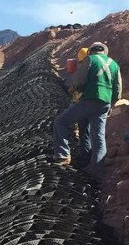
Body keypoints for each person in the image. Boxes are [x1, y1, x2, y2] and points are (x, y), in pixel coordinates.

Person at [52, 41, 122, 172]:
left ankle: (62, 157)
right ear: (104, 51)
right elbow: (118, 91)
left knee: (60, 122)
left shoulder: (90, 59)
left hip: (89, 99)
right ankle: (97, 171)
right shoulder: (114, 65)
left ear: (91, 51)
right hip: (105, 104)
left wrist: (73, 89)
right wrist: (110, 105)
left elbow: (79, 80)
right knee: (98, 137)